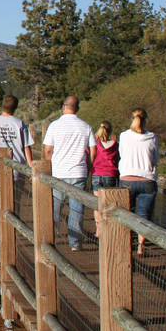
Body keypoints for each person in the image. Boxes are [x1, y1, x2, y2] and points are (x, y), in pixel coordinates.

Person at [42, 96, 96, 251]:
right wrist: (88, 166)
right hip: (78, 172)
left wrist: (49, 164)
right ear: (77, 108)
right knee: (76, 209)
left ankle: (51, 237)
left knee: (55, 207)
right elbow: (93, 149)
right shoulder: (85, 126)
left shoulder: (54, 125)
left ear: (63, 107)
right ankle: (75, 243)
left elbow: (47, 149)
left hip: (58, 172)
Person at [118, 108, 159, 255]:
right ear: (146, 119)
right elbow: (155, 159)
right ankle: (140, 246)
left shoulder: (123, 136)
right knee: (144, 214)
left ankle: (127, 242)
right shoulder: (152, 137)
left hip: (127, 178)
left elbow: (122, 154)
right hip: (147, 179)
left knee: (127, 213)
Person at [0, 95, 34, 176]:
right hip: (17, 170)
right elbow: (26, 147)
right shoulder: (20, 124)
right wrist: (31, 168)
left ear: (2, 105)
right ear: (15, 107)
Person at [91, 120, 119, 238]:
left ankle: (98, 229)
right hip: (110, 175)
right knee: (108, 203)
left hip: (97, 174)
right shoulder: (115, 145)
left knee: (97, 203)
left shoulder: (95, 144)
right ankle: (107, 228)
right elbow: (118, 159)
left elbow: (90, 155)